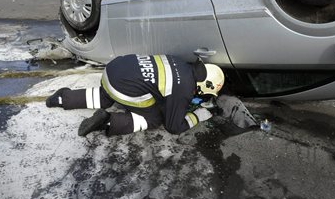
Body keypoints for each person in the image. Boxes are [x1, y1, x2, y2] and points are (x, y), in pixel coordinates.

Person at [46, 54, 225, 137]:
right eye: (204, 93)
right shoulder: (184, 89)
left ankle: (62, 98)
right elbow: (173, 127)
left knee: (104, 95)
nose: (200, 95)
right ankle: (107, 121)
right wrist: (198, 115)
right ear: (203, 84)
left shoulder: (179, 62)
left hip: (113, 70)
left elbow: (160, 86)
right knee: (153, 119)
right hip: (124, 87)